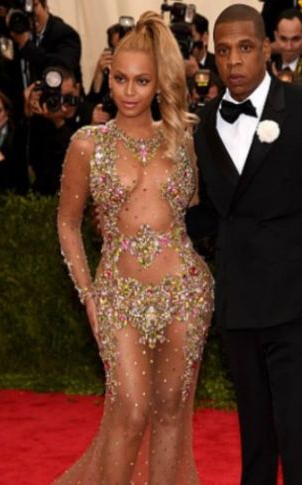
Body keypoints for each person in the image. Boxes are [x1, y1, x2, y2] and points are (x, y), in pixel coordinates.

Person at [187, 5, 302, 484]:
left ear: (267, 48)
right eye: (223, 51)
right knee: (256, 439)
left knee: (295, 431)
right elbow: (213, 213)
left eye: (245, 48)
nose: (234, 62)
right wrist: (153, 216)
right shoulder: (204, 124)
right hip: (240, 306)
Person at [54, 11, 214, 484]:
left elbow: (196, 208)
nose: (128, 91)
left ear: (157, 84)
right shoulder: (88, 143)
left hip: (185, 292)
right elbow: (66, 224)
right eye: (120, 78)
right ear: (108, 77)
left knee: (170, 411)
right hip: (118, 294)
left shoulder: (182, 140)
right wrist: (89, 295)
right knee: (131, 407)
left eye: (141, 81)